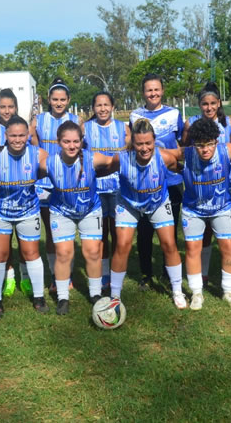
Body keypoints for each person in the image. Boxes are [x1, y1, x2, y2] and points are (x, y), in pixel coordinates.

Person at [38, 121, 119, 315]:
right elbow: (29, 176)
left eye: (76, 141)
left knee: (92, 252)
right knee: (64, 253)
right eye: (67, 141)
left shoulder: (93, 159)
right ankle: (63, 297)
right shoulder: (48, 163)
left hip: (90, 211)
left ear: (82, 141)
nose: (72, 145)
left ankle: (95, 294)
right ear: (58, 142)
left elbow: (113, 162)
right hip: (61, 211)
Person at [110, 119, 185, 308]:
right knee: (123, 245)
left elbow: (179, 168)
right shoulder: (122, 158)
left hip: (158, 202)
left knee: (169, 244)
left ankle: (177, 291)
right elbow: (106, 168)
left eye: (148, 143)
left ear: (154, 141)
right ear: (132, 143)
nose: (144, 148)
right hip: (128, 203)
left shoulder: (165, 158)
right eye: (139, 144)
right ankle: (115, 297)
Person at [0, 115, 49, 319]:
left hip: (28, 211)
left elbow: (54, 170)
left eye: (22, 135)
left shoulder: (38, 154)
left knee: (31, 253)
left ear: (28, 135)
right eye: (13, 136)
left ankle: (39, 297)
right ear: (6, 135)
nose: (18, 140)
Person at [179, 119, 231, 310]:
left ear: (217, 141)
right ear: (194, 144)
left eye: (209, 143)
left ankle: (228, 290)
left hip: (221, 207)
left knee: (228, 247)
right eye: (200, 145)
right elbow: (163, 155)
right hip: (193, 209)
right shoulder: (187, 153)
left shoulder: (226, 150)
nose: (205, 149)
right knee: (192, 249)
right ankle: (196, 292)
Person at [182, 83, 231, 289]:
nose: (208, 108)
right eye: (204, 104)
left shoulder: (228, 123)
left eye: (212, 103)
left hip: (225, 183)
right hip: (199, 182)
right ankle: (203, 274)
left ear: (219, 104)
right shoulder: (191, 124)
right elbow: (185, 149)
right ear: (199, 105)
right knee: (204, 231)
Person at [129, 74, 184, 289]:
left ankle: (167, 273)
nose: (153, 93)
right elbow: (132, 145)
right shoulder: (135, 116)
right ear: (143, 93)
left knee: (169, 232)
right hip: (144, 183)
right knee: (144, 231)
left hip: (171, 181)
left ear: (162, 91)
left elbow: (182, 146)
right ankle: (145, 274)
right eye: (148, 90)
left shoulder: (174, 113)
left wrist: (168, 157)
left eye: (156, 90)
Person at [30, 78, 81, 290]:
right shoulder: (38, 121)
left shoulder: (76, 120)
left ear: (68, 100)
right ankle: (55, 275)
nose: (58, 103)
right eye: (54, 99)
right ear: (48, 100)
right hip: (44, 182)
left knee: (68, 231)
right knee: (51, 231)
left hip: (68, 181)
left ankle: (67, 273)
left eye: (62, 99)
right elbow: (34, 147)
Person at [83, 92, 129, 293]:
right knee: (100, 234)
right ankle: (103, 275)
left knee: (117, 232)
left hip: (118, 188)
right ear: (93, 108)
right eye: (98, 105)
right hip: (95, 189)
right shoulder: (85, 128)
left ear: (113, 107)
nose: (102, 108)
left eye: (106, 105)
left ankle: (116, 272)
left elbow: (128, 154)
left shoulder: (123, 128)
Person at [0, 89, 26, 298]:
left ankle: (25, 276)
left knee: (24, 237)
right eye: (3, 107)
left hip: (23, 191)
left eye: (11, 106)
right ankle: (9, 276)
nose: (7, 110)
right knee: (5, 238)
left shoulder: (22, 129)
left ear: (16, 107)